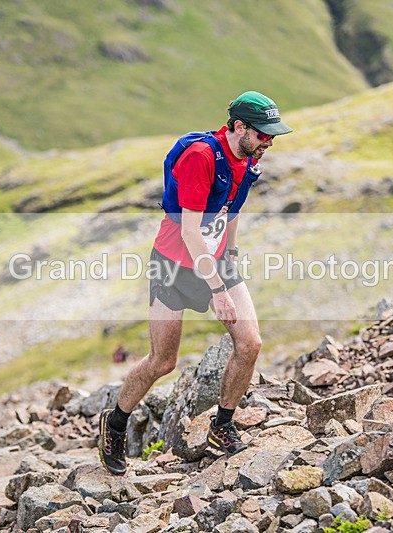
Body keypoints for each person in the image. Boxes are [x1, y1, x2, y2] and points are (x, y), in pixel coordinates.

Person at [98, 91, 293, 475]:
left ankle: (221, 427)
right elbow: (190, 231)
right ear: (239, 127)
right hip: (173, 264)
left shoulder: (248, 160)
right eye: (264, 135)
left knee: (250, 342)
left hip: (216, 259)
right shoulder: (201, 158)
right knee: (163, 361)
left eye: (273, 137)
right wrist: (218, 290)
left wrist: (231, 254)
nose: (269, 143)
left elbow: (231, 210)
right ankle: (115, 424)